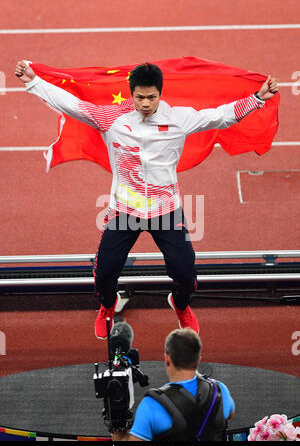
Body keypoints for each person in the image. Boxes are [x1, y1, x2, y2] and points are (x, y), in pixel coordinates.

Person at [15, 61, 278, 339]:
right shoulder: (111, 119)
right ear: (131, 94)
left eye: (151, 97)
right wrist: (34, 82)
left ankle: (180, 304)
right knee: (105, 273)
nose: (145, 103)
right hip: (124, 211)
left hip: (166, 211)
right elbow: (71, 104)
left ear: (160, 94)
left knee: (185, 274)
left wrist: (257, 98)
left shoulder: (179, 119)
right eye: (139, 97)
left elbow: (220, 116)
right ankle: (107, 305)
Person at [111, 327, 235, 441]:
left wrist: (119, 435)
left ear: (167, 360)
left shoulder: (151, 406)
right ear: (198, 360)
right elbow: (229, 415)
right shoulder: (220, 391)